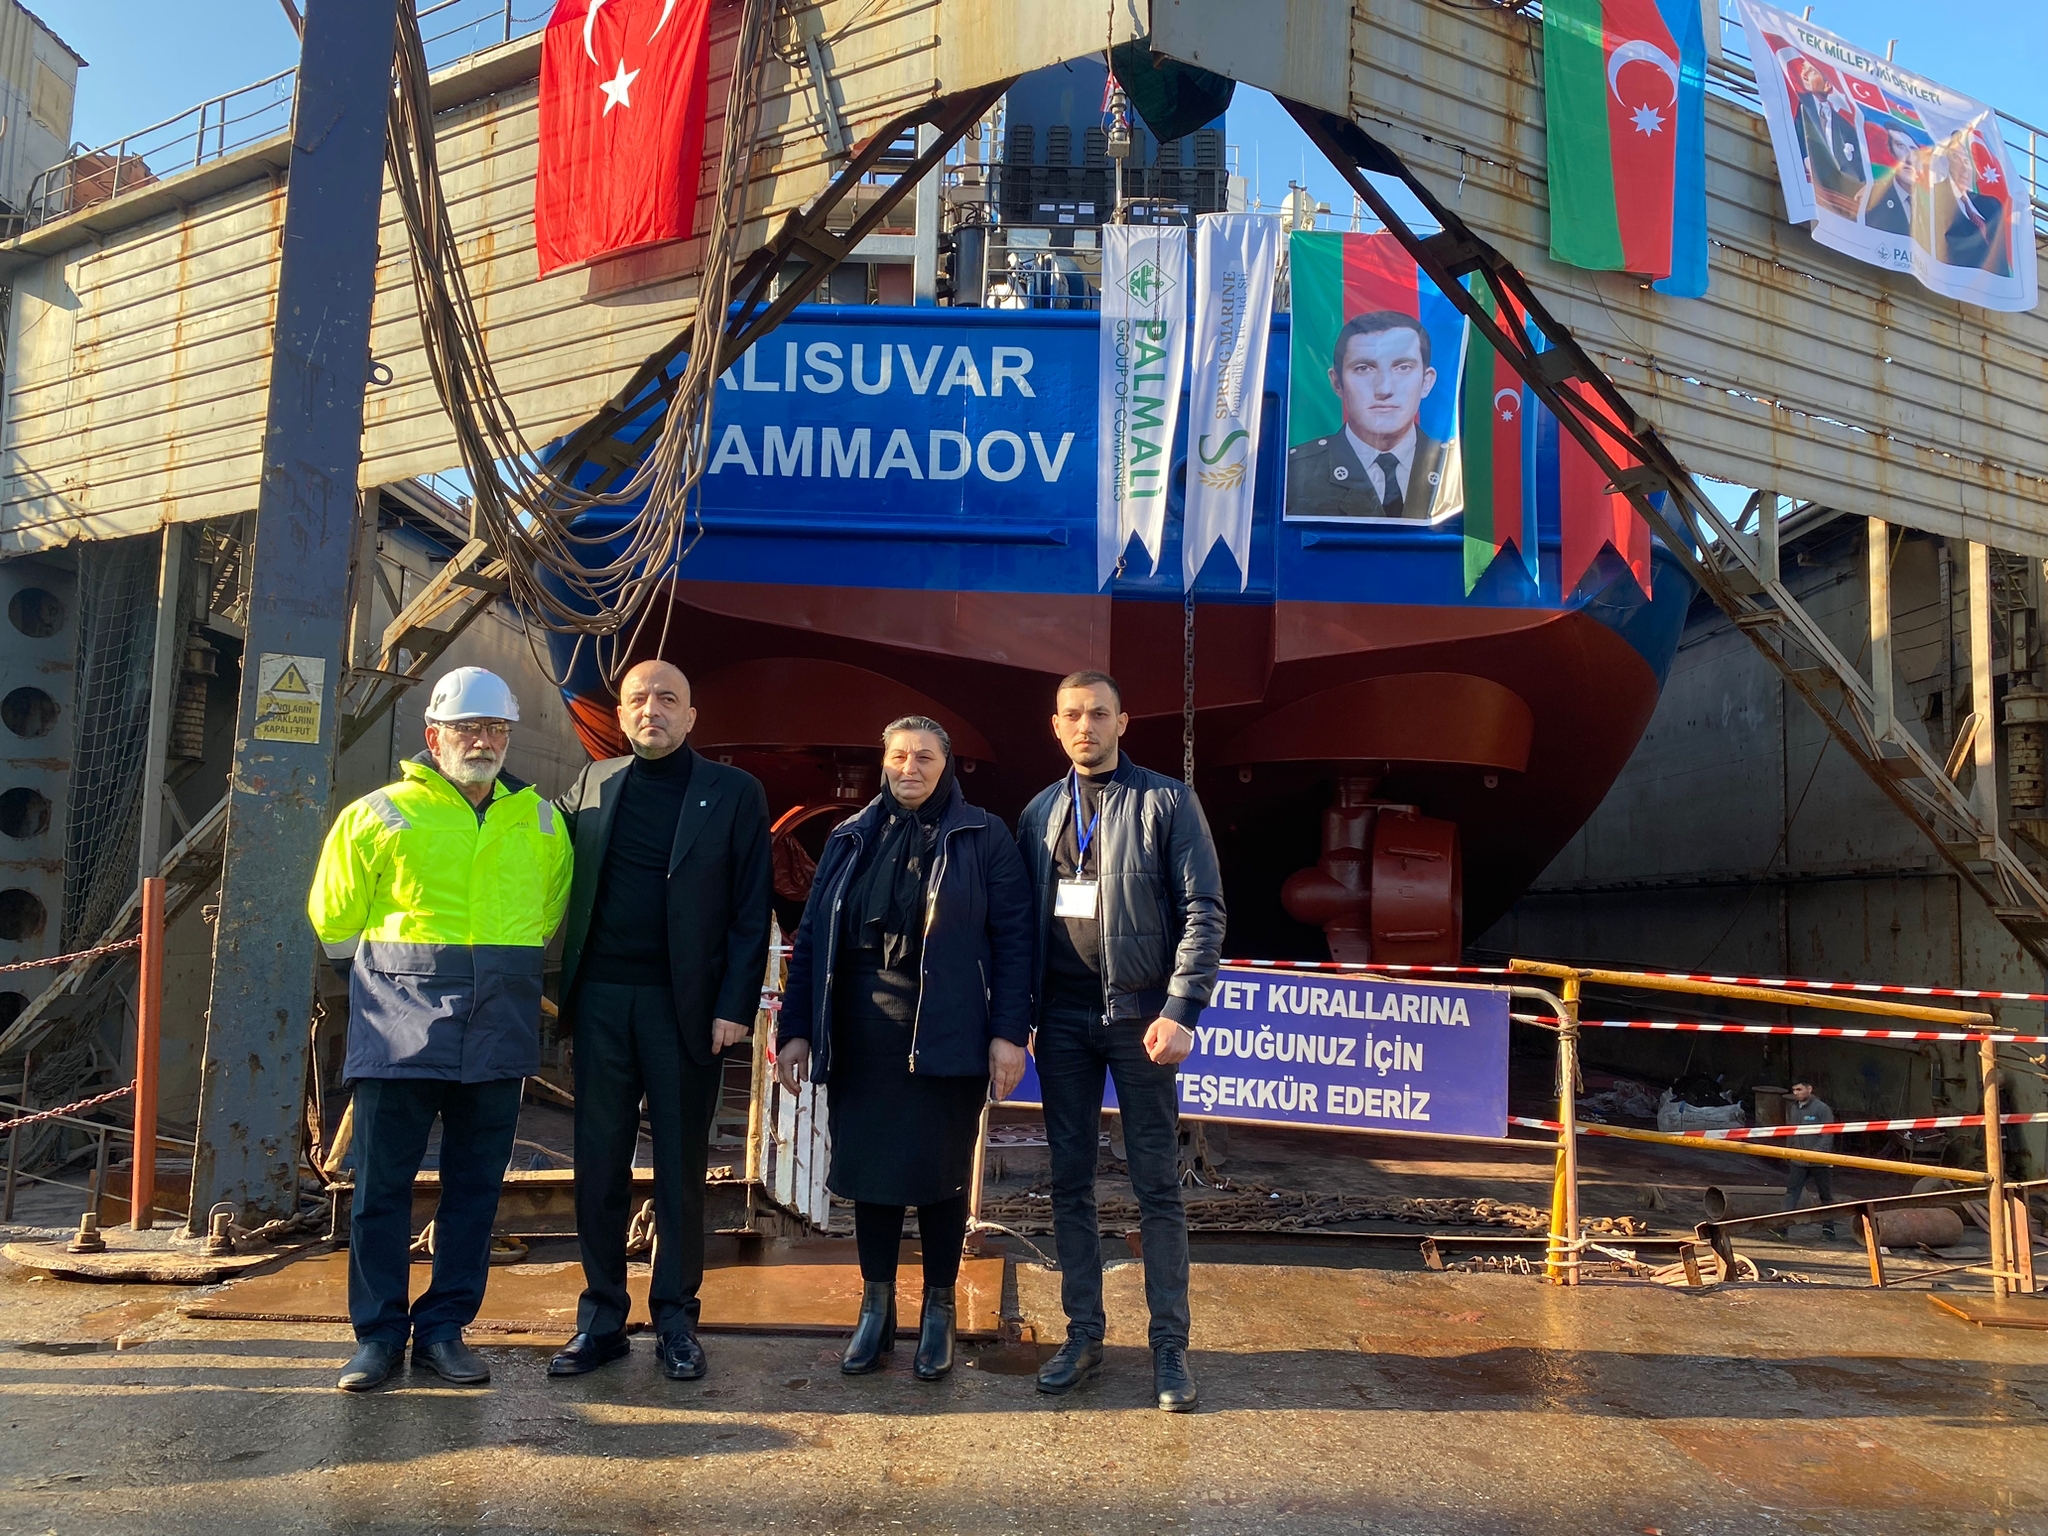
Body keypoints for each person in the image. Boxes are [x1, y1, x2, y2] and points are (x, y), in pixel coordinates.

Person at [308, 667, 572, 1392]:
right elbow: (333, 918)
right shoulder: (379, 815)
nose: (482, 741)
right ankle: (378, 1337)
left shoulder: (542, 822)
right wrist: (397, 984)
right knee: (381, 1190)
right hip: (398, 1030)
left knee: (474, 1192)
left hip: (496, 1029)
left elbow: (545, 916)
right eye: (467, 729)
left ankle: (444, 1331)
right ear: (434, 736)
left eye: (495, 729)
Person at [777, 716, 1033, 1381]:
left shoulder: (985, 836)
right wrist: (795, 1029)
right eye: (898, 756)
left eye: (924, 757)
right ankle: (876, 1307)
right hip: (862, 1032)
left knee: (941, 1177)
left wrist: (1009, 1034)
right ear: (884, 762)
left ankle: (939, 1309)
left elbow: (1015, 942)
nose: (909, 768)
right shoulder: (850, 836)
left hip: (948, 1031)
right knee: (872, 1178)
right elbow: (812, 940)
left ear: (946, 765)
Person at [547, 660, 772, 1384]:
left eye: (668, 699)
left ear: (691, 716)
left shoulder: (734, 792)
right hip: (602, 1002)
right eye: (639, 699)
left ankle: (676, 1318)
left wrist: (734, 1006)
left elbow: (751, 909)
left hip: (686, 1010)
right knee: (598, 1166)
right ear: (621, 713)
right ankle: (601, 1320)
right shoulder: (591, 782)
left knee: (679, 1170)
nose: (652, 709)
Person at [1016, 671, 1225, 1412]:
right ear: (1056, 725)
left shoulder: (1167, 801)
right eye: (1072, 715)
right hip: (1062, 1022)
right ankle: (1084, 1335)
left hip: (1140, 1019)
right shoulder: (1040, 812)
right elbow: (1020, 926)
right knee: (1069, 1183)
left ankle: (1170, 1348)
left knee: (1156, 1186)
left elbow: (1204, 909)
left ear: (1122, 721)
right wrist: (1019, 1019)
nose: (1086, 726)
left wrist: (1181, 1009)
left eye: (1099, 714)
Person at [1287, 311, 1446, 521]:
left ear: (1426, 382)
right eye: (1363, 368)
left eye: (1403, 367)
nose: (1384, 389)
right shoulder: (1294, 473)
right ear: (1337, 383)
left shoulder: (1456, 470)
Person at [1789, 58, 1867, 217]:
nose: (1803, 74)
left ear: (1827, 85)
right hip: (1805, 195)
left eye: (1811, 71)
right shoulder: (1797, 106)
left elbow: (1858, 169)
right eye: (1803, 68)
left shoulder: (1846, 128)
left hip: (1841, 206)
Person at [1930, 135, 2011, 277]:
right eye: (1956, 158)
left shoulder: (1992, 206)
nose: (1964, 168)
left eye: (1967, 161)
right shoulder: (1934, 196)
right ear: (1945, 161)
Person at [1781, 1077, 1838, 1240]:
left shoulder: (1822, 1109)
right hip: (1798, 1161)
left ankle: (1828, 1229)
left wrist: (1816, 1153)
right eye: (1794, 1090)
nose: (1796, 1093)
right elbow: (1791, 1132)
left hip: (1819, 1162)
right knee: (1791, 1193)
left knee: (1825, 1196)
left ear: (1809, 1089)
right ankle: (1781, 1227)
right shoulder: (1793, 1109)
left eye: (1799, 1089)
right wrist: (1788, 1151)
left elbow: (1828, 1134)